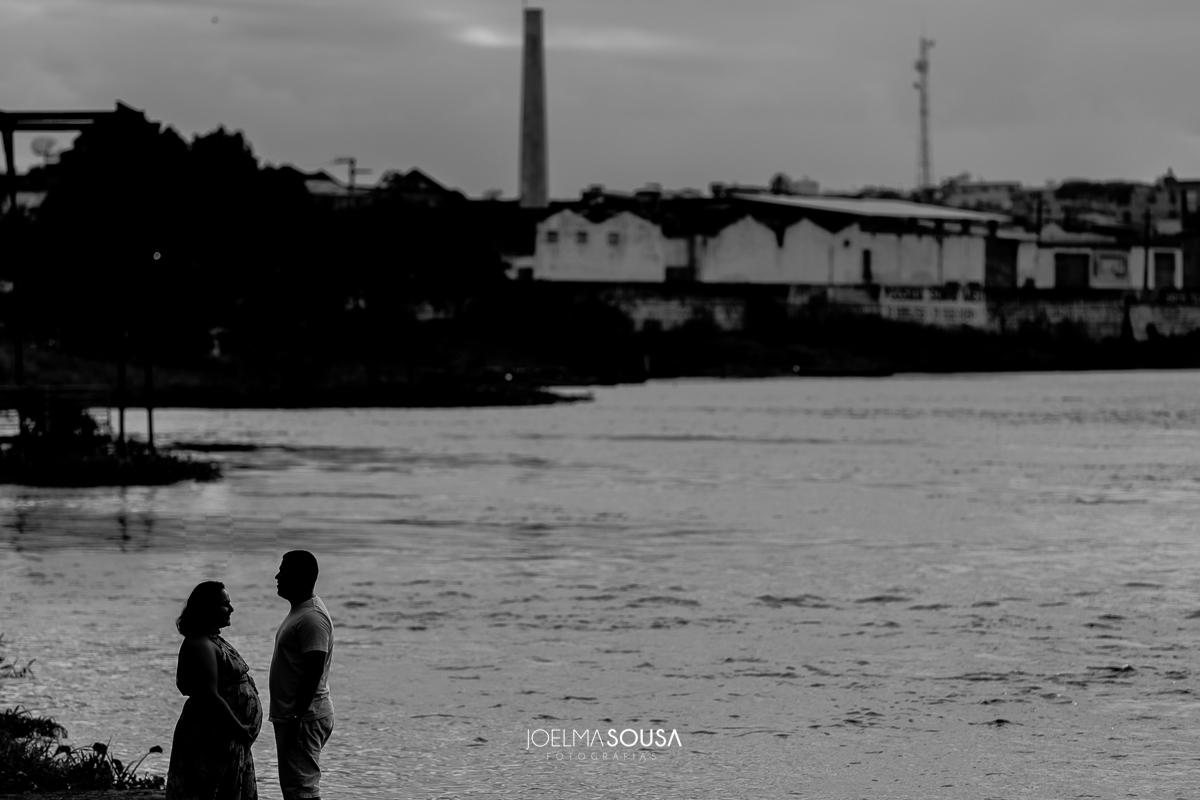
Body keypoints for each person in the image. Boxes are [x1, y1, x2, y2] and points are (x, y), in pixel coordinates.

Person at [166, 581, 262, 800]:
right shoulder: (201, 644)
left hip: (226, 737)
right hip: (213, 737)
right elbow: (208, 695)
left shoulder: (213, 639)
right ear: (207, 608)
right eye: (225, 604)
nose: (231, 609)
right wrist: (238, 728)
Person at [270, 550, 335, 800]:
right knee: (296, 787)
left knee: (301, 790)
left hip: (302, 716)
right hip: (297, 715)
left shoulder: (312, 617)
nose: (277, 576)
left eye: (283, 571)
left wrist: (296, 716)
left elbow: (313, 669)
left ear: (300, 575)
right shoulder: (302, 611)